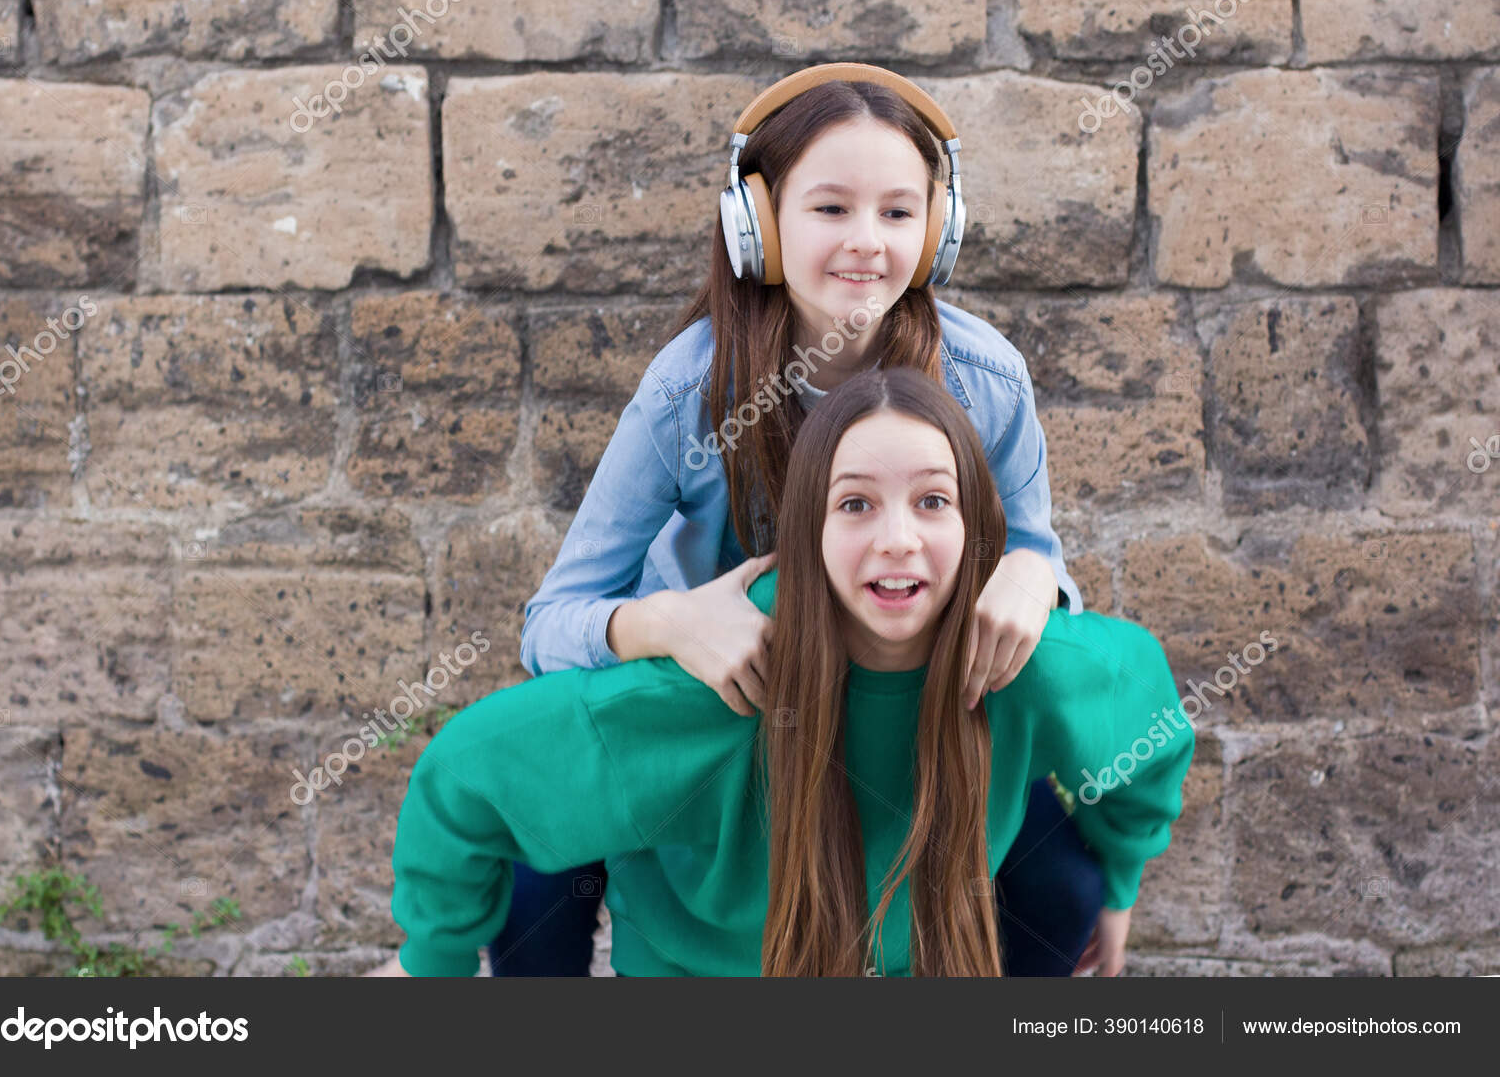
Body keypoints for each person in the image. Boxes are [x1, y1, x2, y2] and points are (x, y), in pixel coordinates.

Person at [498, 62, 1101, 976]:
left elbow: (1040, 559)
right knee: (530, 854)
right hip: (722, 719)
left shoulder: (984, 379)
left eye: (899, 213)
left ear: (940, 231)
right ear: (758, 222)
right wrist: (667, 622)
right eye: (831, 209)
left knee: (1061, 877)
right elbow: (551, 627)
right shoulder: (686, 393)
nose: (867, 243)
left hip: (904, 711)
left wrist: (1031, 573)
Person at [368, 368, 1191, 977]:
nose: (900, 538)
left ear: (980, 528)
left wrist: (1119, 886)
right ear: (805, 532)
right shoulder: (714, 691)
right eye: (856, 504)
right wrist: (432, 961)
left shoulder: (1035, 662)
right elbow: (463, 776)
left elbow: (1150, 726)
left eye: (933, 502)